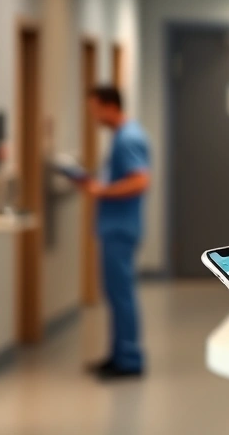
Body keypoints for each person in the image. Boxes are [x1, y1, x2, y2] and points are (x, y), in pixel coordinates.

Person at [79, 85, 151, 380]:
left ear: (110, 106)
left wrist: (102, 191)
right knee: (115, 293)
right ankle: (119, 353)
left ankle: (129, 358)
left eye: (95, 109)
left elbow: (140, 181)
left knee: (121, 295)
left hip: (120, 229)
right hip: (116, 227)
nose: (93, 116)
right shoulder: (123, 136)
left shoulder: (129, 138)